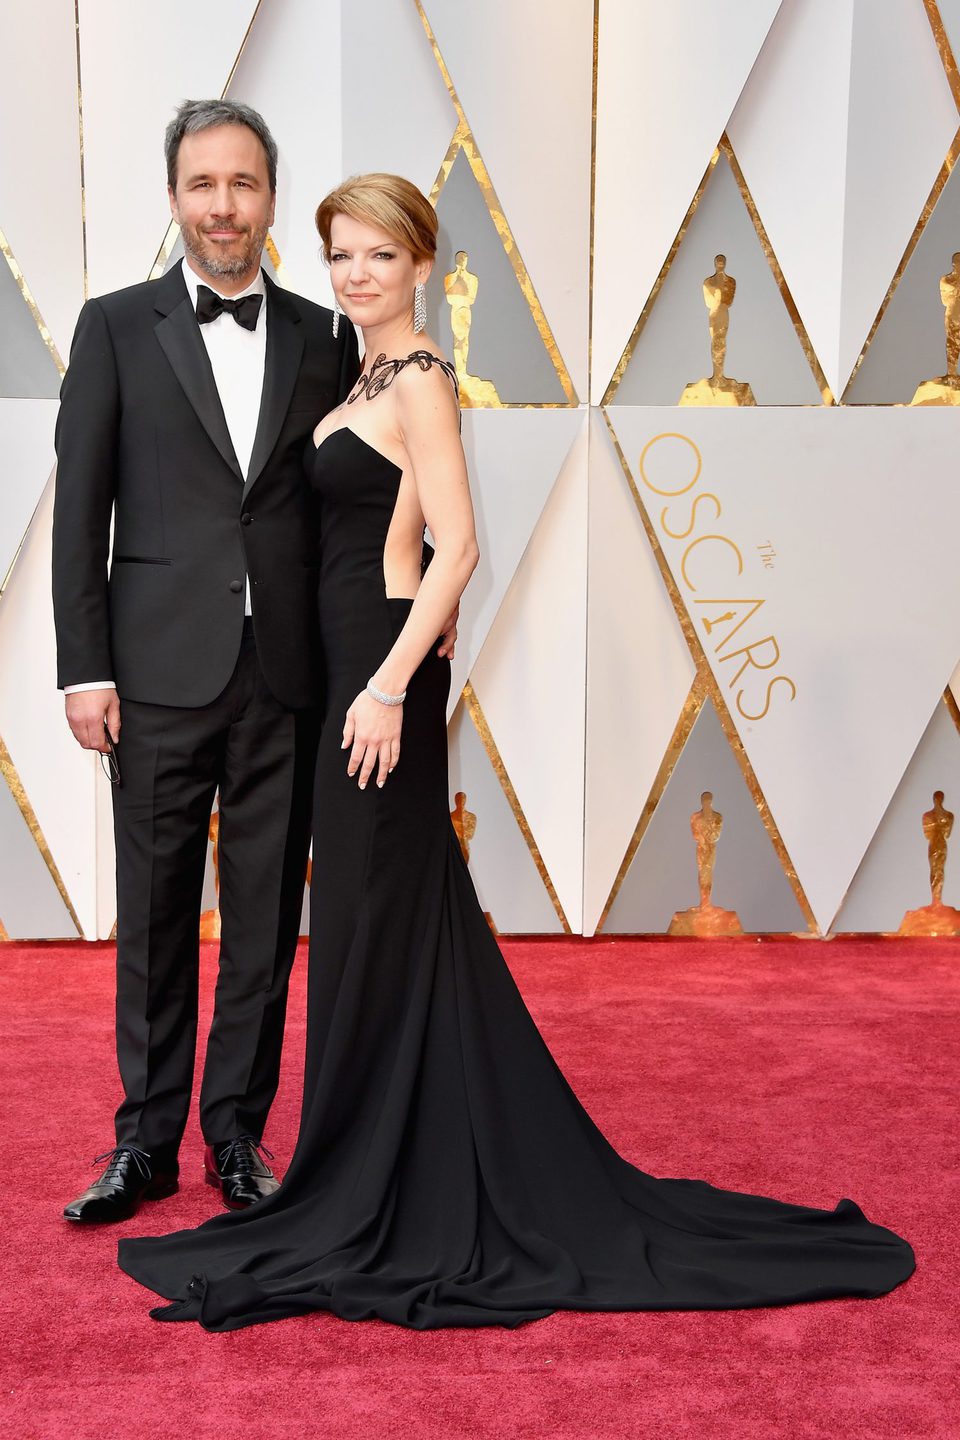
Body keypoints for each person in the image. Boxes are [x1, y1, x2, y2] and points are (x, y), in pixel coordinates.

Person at [118, 174, 914, 1329]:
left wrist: (391, 687)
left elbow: (461, 548)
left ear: (423, 266)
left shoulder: (426, 381)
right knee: (370, 924)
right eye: (339, 255)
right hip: (346, 677)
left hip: (381, 681)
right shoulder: (361, 375)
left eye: (378, 256)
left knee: (380, 917)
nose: (353, 275)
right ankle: (379, 1157)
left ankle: (388, 1179)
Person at [51, 99, 367, 1222]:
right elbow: (79, 508)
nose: (224, 205)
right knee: (152, 921)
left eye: (243, 183)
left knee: (265, 922)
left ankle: (237, 1138)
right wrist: (83, 669)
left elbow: (341, 516)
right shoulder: (112, 327)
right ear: (175, 196)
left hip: (285, 676)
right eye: (203, 184)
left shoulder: (328, 339)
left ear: (271, 197)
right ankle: (144, 1146)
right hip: (152, 676)